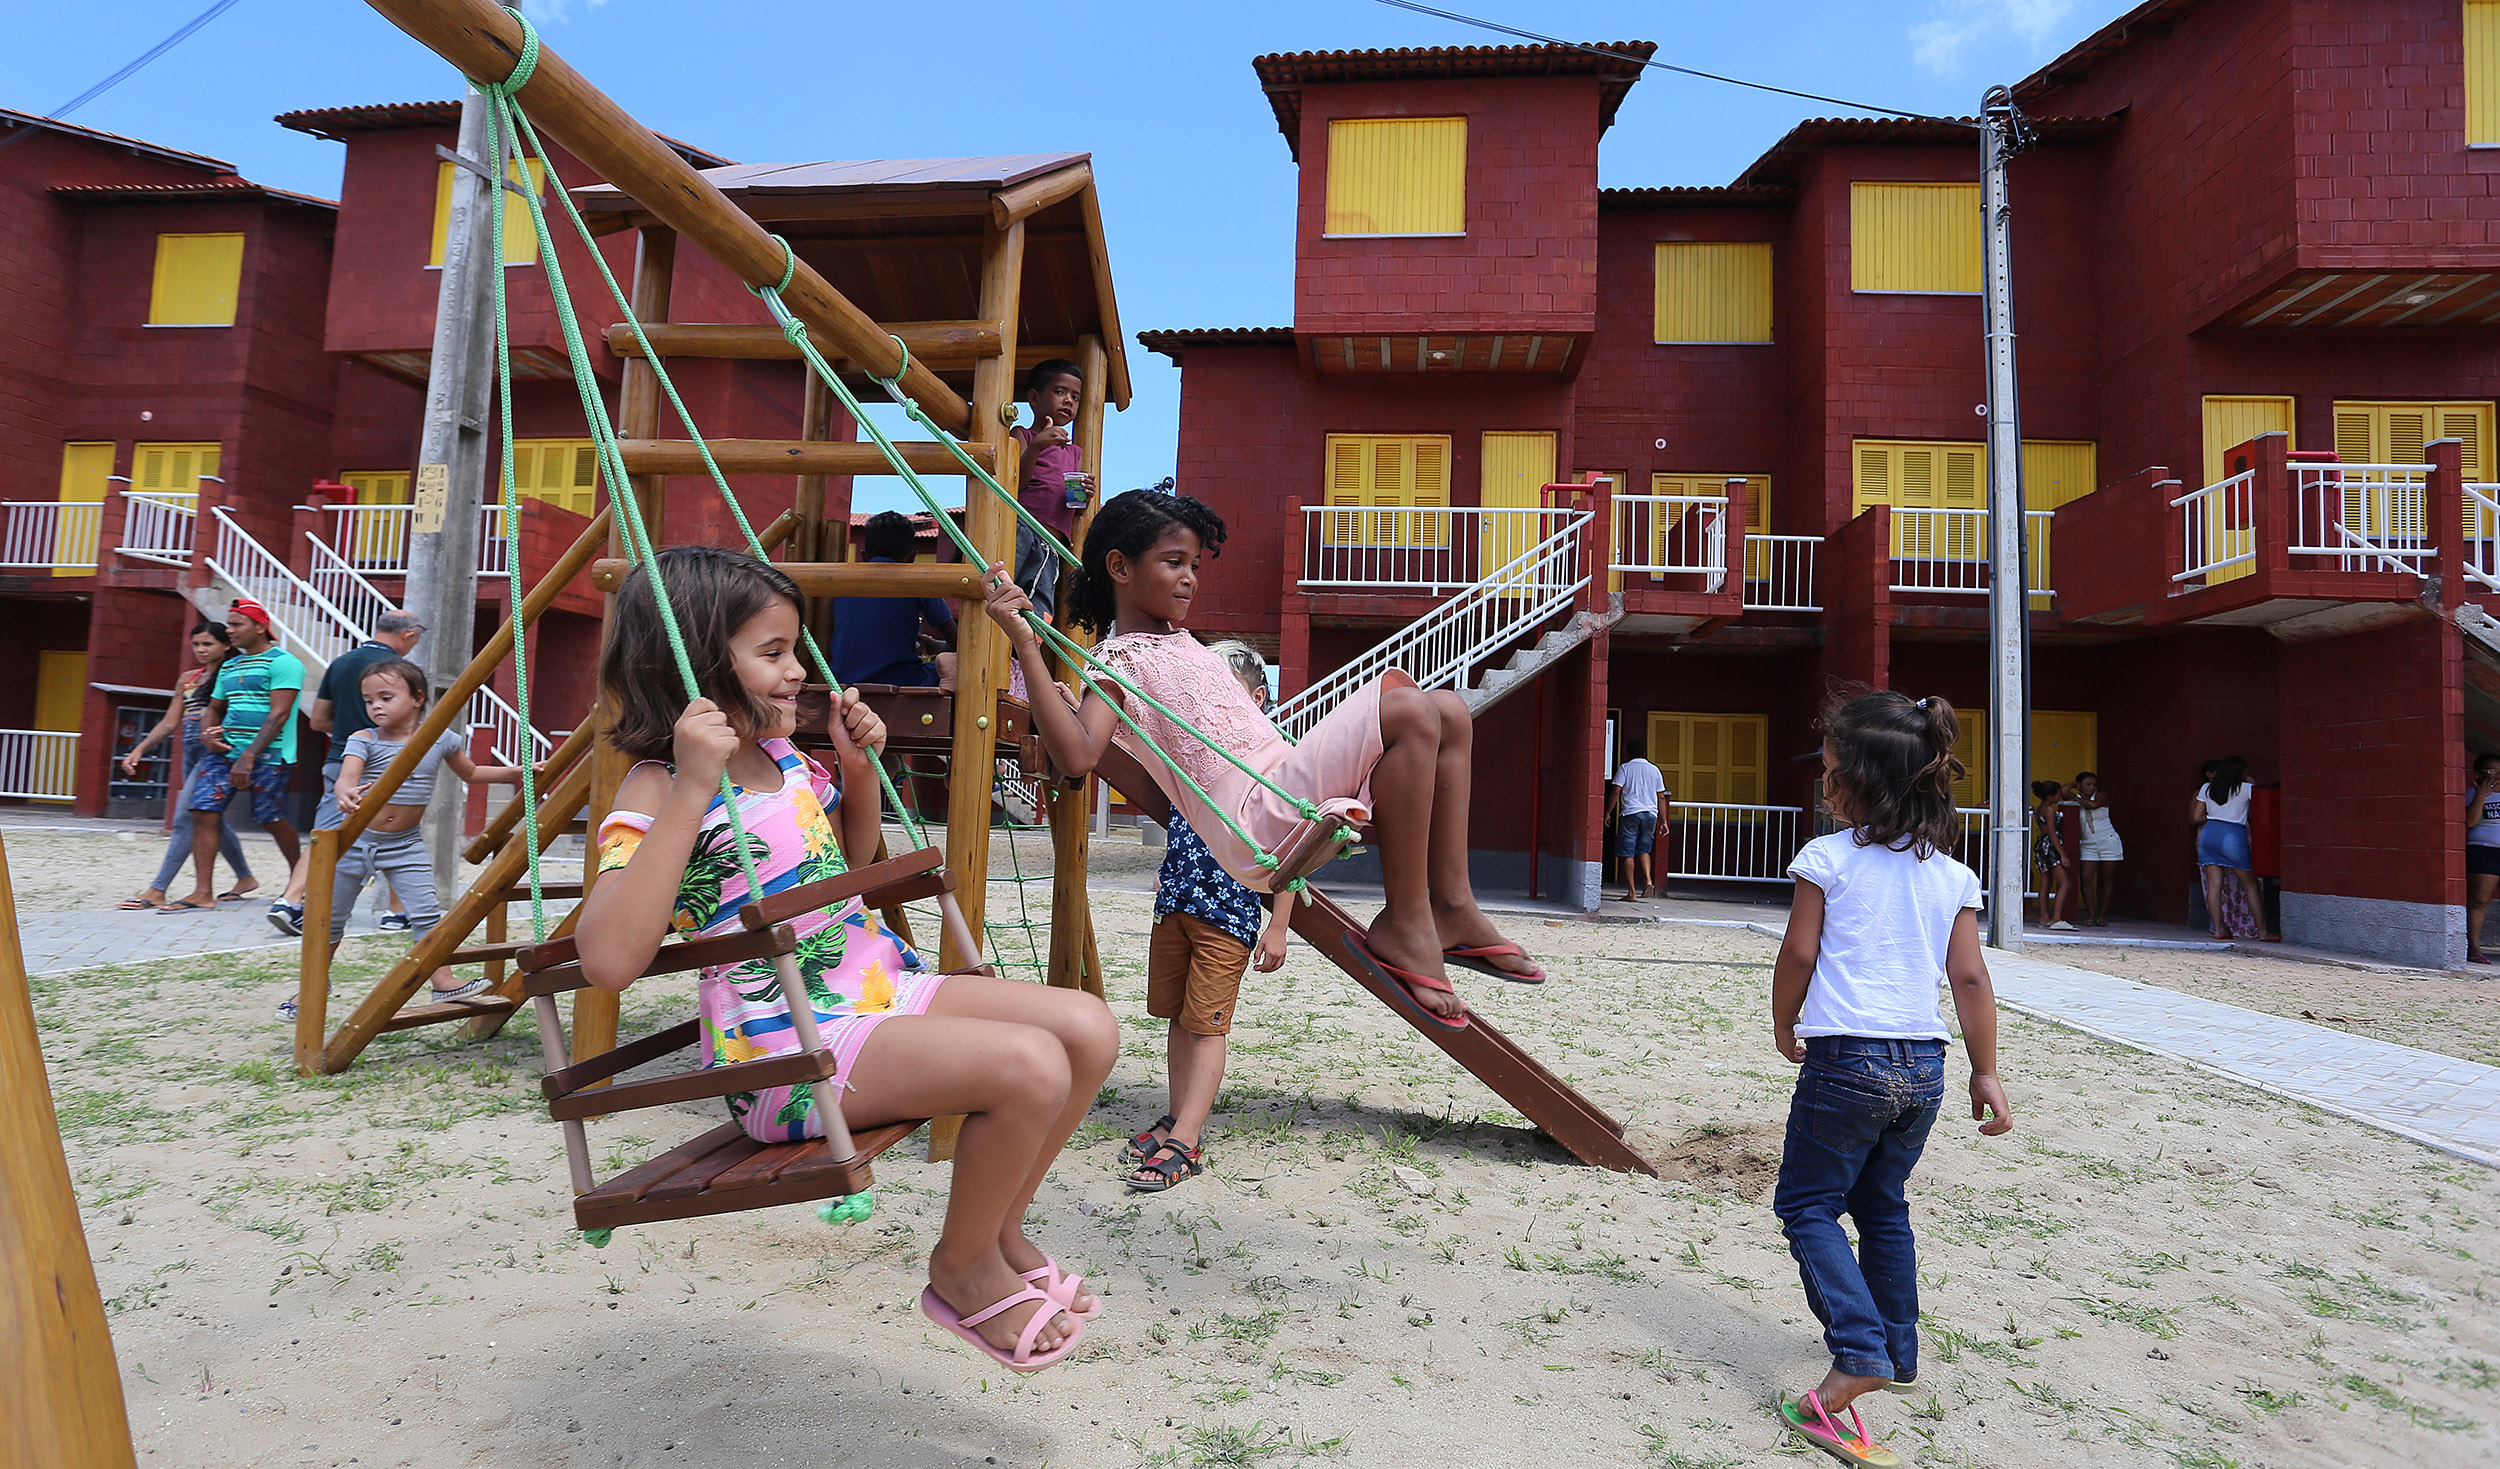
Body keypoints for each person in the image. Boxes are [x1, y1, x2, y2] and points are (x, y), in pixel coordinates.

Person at [573, 546, 1117, 1374]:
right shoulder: (658, 786)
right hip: (786, 1049)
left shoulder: (786, 760)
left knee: (1087, 1027)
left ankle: (999, 1230)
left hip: (874, 989)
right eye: (773, 652)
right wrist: (691, 787)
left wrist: (859, 772)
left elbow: (846, 867)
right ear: (691, 666)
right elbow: (609, 959)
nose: (798, 669)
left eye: (795, 648)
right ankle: (962, 1267)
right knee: (1029, 1065)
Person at [991, 489, 1545, 1035]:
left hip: (1279, 781)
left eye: (1195, 565)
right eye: (1174, 562)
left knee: (1449, 711)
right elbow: (1077, 755)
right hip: (1252, 817)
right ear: (1120, 567)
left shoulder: (1184, 643)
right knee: (1407, 710)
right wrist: (1027, 644)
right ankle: (1406, 922)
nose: (1190, 578)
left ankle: (1452, 905)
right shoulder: (1119, 659)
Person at [1769, 690, 2014, 1466]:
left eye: (1832, 773)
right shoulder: (1952, 876)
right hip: (1925, 1067)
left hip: (1847, 1060)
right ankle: (1899, 1351)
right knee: (1882, 1204)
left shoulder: (1826, 859)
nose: (1824, 785)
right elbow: (1969, 978)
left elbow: (1799, 953)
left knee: (1806, 1203)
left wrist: (1783, 1021)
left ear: (1863, 785)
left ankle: (1859, 1352)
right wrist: (1986, 1070)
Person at [1124, 640, 1293, 1194]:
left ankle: (1188, 1140)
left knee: (1205, 1026)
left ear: (1257, 699)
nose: (1208, 710)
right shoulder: (1189, 750)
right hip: (1176, 902)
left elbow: (1292, 849)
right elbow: (1134, 740)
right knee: (1177, 1017)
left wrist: (1278, 925)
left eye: (1222, 696)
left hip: (1226, 914)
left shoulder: (1271, 760)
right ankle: (1177, 1117)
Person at [274, 659, 531, 1023]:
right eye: (368, 700)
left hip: (405, 844)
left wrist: (517, 771)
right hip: (355, 841)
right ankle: (311, 988)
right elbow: (346, 777)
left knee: (426, 913)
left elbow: (472, 773)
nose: (375, 706)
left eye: (385, 697)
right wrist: (345, 793)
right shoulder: (364, 739)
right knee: (329, 919)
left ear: (417, 698)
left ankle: (442, 980)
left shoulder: (440, 739)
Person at [266, 609, 424, 936]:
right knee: (395, 833)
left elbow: (318, 720)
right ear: (409, 635)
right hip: (387, 763)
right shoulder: (400, 673)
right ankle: (396, 913)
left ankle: (289, 901)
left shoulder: (340, 663)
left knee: (325, 833)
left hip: (339, 760)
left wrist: (351, 738)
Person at [117, 621, 256, 911]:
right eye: (196, 644)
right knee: (209, 818)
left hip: (216, 755)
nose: (201, 650)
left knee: (184, 818)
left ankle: (158, 889)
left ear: (225, 645)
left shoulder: (233, 675)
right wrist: (139, 748)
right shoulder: (188, 678)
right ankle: (245, 878)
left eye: (208, 644)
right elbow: (170, 722)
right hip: (190, 753)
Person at [189, 599, 303, 917]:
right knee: (202, 811)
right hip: (224, 753)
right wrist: (207, 734)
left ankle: (301, 881)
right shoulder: (230, 665)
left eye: (237, 624)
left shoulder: (284, 663)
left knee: (270, 819)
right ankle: (202, 893)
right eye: (229, 624)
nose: (229, 630)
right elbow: (214, 708)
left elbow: (279, 714)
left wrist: (248, 757)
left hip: (269, 756)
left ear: (260, 627)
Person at [829, 511, 957, 692]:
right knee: (951, 663)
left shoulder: (841, 583)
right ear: (913, 558)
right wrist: (940, 647)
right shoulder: (918, 581)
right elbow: (958, 642)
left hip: (842, 682)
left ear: (864, 556)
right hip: (903, 681)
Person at [1006, 358, 1092, 621]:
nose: (1068, 401)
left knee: (1040, 604)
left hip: (1053, 542)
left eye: (1075, 397)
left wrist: (1085, 496)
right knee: (1007, 585)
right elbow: (1015, 483)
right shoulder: (1023, 435)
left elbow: (1075, 508)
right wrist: (1036, 446)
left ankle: (1025, 645)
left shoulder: (1074, 452)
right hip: (1023, 529)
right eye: (1060, 392)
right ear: (1035, 397)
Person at [2192, 755, 2276, 942]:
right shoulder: (2245, 788)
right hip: (2233, 834)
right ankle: (2263, 931)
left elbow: (2197, 817)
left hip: (2209, 834)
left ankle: (2219, 929)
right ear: (2240, 772)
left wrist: (2215, 816)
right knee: (2250, 885)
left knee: (2214, 885)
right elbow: (2260, 806)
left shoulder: (2207, 788)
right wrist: (2251, 782)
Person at [1607, 738, 1667, 901]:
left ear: (1628, 753)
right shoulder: (1654, 770)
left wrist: (1608, 813)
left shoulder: (1625, 768)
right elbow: (1661, 797)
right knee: (1644, 849)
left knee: (1628, 852)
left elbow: (1616, 791)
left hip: (1631, 814)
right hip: (1650, 815)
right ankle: (1648, 881)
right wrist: (1664, 821)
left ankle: (1632, 893)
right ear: (1644, 753)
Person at [2073, 771, 2123, 928]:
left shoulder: (2100, 796)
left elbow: (2093, 805)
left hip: (2108, 841)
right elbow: (2062, 790)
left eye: (2094, 784)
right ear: (2079, 785)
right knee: (2086, 877)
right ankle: (2091, 914)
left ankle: (2102, 915)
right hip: (2088, 843)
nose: (2091, 787)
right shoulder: (2076, 796)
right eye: (2087, 784)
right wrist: (2074, 786)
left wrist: (2075, 797)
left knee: (2108, 878)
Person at [2467, 753, 2500, 964]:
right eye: (2492, 771)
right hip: (2483, 850)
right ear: (2479, 773)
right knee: (2479, 900)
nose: (2497, 776)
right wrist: (2481, 796)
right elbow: (2470, 821)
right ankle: (2474, 948)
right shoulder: (2471, 794)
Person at [2030, 779, 2075, 931]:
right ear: (2050, 796)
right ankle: (2056, 919)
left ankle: (2044, 918)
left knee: (2046, 883)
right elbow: (2052, 833)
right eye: (2057, 794)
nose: (2059, 797)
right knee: (2064, 883)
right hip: (2050, 847)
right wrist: (2062, 854)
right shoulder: (2049, 810)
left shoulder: (2039, 809)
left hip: (2040, 846)